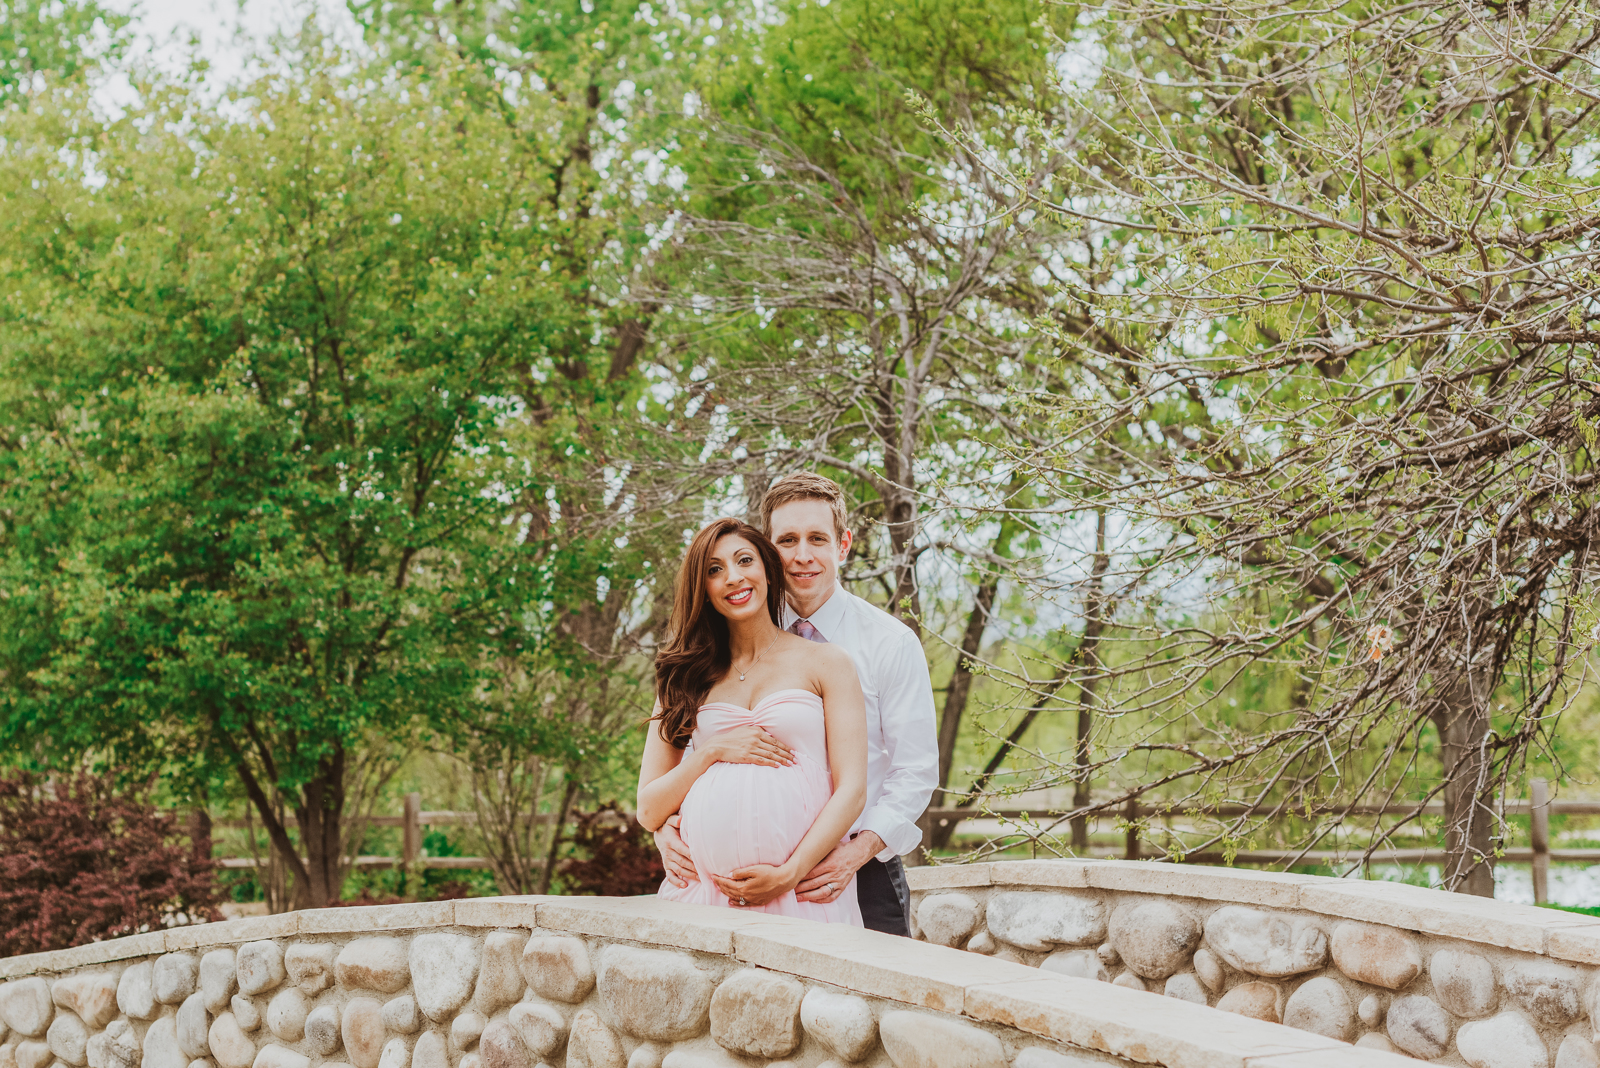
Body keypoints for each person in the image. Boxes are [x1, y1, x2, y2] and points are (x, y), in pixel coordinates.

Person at [654, 474, 938, 936]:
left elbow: (916, 769)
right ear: (767, 550)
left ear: (842, 545)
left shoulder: (890, 643)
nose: (802, 555)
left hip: (851, 871)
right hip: (719, 881)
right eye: (787, 540)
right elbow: (690, 745)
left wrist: (855, 853)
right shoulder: (725, 636)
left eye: (817, 539)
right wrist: (664, 827)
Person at [636, 516, 870, 923]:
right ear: (703, 589)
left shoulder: (826, 661)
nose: (733, 577)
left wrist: (789, 873)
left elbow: (852, 789)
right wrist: (712, 751)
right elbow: (648, 809)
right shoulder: (684, 675)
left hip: (803, 893)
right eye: (714, 570)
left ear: (766, 568)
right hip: (702, 894)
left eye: (745, 561)